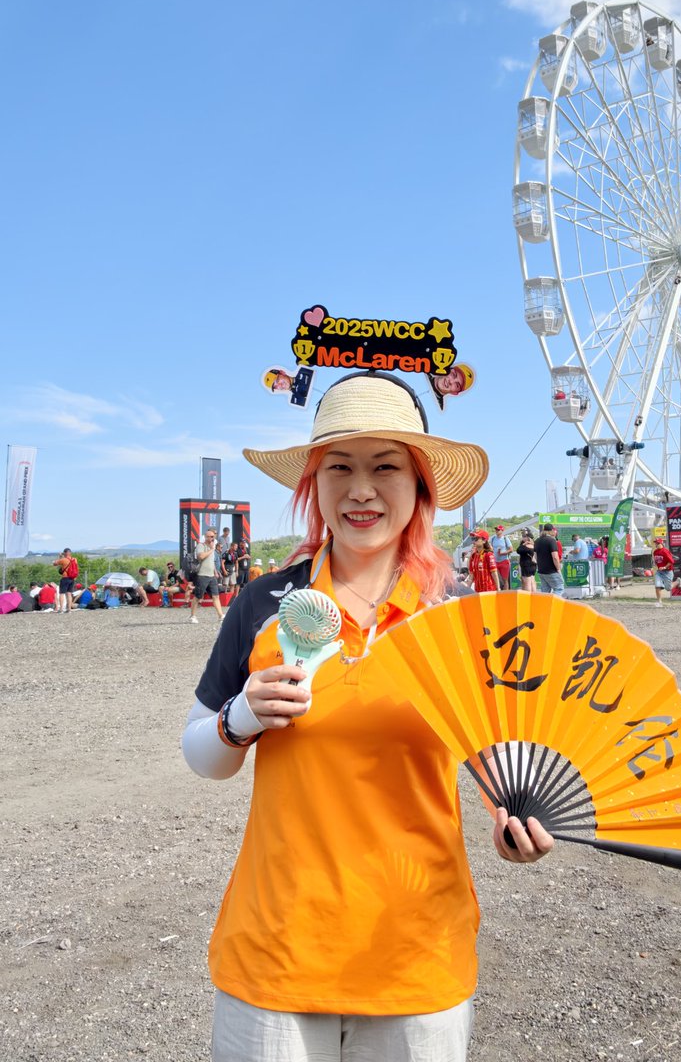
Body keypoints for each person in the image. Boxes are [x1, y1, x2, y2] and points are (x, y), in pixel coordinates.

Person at [181, 371, 552, 1061]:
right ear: (313, 483)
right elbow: (201, 752)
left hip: (417, 952)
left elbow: (497, 760)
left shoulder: (458, 617)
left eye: (385, 468)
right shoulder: (264, 603)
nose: (360, 490)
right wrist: (240, 717)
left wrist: (517, 826)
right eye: (339, 468)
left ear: (420, 487)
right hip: (277, 949)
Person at [188, 528, 225, 625]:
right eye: (210, 536)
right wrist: (212, 549)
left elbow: (211, 562)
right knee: (198, 596)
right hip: (202, 575)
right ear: (205, 537)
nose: (211, 538)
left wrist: (215, 572)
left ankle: (221, 615)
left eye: (213, 536)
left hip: (211, 575)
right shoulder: (201, 546)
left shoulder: (213, 547)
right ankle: (192, 616)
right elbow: (200, 556)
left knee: (216, 596)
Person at [535, 522, 564, 596]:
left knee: (545, 591)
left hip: (541, 570)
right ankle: (555, 603)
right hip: (551, 570)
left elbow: (535, 556)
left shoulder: (537, 541)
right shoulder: (551, 540)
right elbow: (555, 557)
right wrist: (558, 569)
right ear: (551, 531)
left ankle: (545, 603)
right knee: (559, 588)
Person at [651, 540, 678, 607]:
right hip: (659, 572)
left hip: (667, 572)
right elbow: (657, 561)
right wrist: (655, 564)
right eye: (655, 543)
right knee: (657, 586)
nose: (656, 544)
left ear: (661, 543)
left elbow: (671, 561)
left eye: (657, 543)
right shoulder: (655, 552)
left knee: (668, 588)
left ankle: (678, 581)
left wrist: (664, 567)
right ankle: (659, 602)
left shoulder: (665, 551)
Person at [53, 549, 79, 613]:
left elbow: (55, 564)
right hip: (72, 578)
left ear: (64, 553)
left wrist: (60, 557)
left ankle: (61, 609)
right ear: (70, 553)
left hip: (65, 578)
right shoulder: (74, 559)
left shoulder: (63, 560)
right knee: (69, 594)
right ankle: (69, 609)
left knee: (62, 593)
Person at [489, 524, 513, 590]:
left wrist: (503, 553)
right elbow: (491, 549)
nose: (496, 531)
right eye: (496, 529)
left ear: (502, 531)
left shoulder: (505, 539)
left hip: (504, 561)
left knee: (505, 580)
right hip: (495, 561)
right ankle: (497, 593)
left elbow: (511, 549)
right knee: (495, 579)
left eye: (498, 529)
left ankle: (506, 594)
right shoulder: (493, 538)